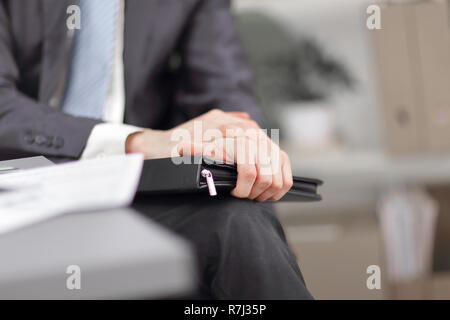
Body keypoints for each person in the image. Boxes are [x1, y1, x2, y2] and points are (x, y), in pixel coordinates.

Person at [0, 0, 312, 299]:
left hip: (126, 193)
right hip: (16, 192)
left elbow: (224, 98)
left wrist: (255, 175)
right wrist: (135, 141)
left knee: (239, 226)